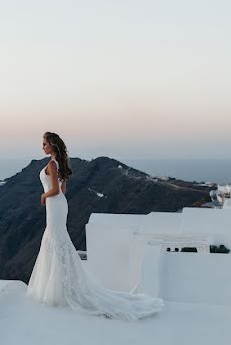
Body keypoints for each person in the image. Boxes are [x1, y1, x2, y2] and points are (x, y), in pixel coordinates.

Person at [26, 131, 164, 320]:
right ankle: (60, 284)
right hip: (58, 204)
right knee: (57, 239)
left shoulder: (51, 164)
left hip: (54, 204)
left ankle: (58, 287)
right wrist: (53, 194)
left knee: (55, 238)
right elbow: (63, 189)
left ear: (52, 144)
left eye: (44, 144)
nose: (42, 147)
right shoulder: (58, 164)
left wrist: (43, 195)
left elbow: (56, 190)